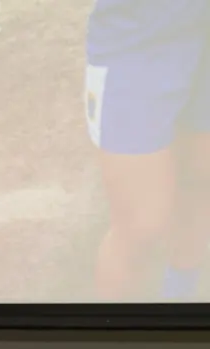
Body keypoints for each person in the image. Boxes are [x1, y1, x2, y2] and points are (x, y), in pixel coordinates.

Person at [85, 0, 210, 297]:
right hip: (138, 35)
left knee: (198, 184)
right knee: (141, 226)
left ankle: (179, 304)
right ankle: (107, 339)